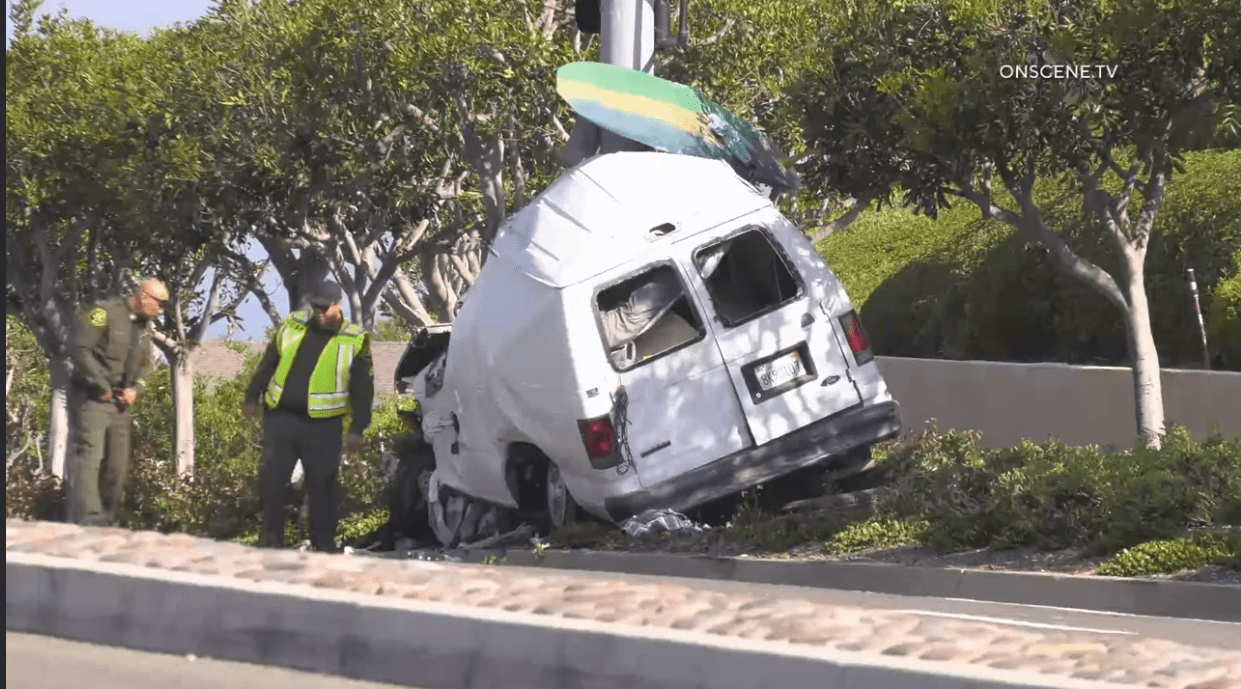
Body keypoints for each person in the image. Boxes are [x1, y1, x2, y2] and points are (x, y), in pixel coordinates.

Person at [244, 280, 374, 552]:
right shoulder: (293, 325)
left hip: (324, 427)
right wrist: (252, 396)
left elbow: (363, 389)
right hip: (282, 419)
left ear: (338, 306)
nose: (318, 312)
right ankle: (271, 544)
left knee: (322, 489)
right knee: (272, 484)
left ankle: (324, 547)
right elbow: (269, 362)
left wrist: (358, 429)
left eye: (324, 308)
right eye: (315, 306)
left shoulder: (354, 338)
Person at [69, 278, 168, 526]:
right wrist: (100, 384)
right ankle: (91, 519)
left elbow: (146, 365)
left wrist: (137, 389)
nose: (161, 309)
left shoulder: (145, 325)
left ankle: (108, 518)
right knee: (91, 458)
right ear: (144, 296)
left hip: (122, 404)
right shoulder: (105, 313)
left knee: (118, 466)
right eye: (159, 303)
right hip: (94, 398)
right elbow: (80, 349)